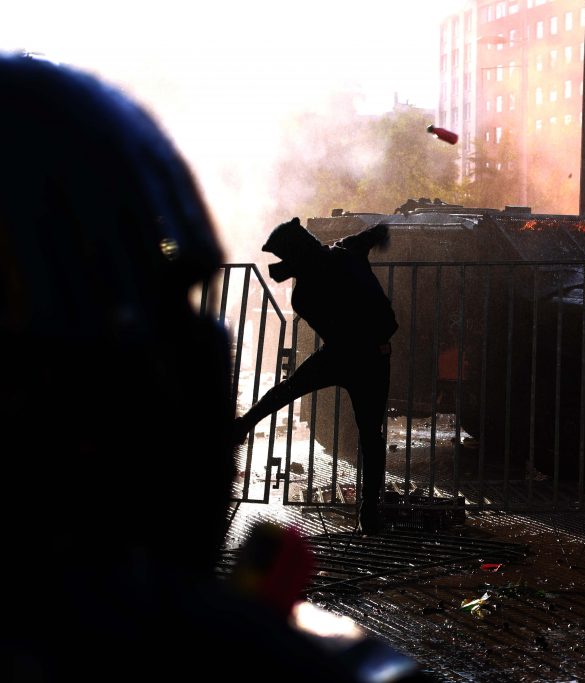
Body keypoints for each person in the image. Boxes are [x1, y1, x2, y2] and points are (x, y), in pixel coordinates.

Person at [0, 53, 424, 681]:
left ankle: (358, 503)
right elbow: (352, 254)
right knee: (319, 412)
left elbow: (352, 258)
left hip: (361, 354)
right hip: (354, 354)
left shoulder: (320, 276)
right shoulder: (230, 646)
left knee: (335, 420)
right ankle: (347, 495)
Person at [232, 217, 397, 534]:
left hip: (344, 354)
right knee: (370, 436)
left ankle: (243, 426)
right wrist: (379, 237)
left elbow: (329, 322)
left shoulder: (303, 296)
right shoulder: (346, 251)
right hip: (371, 355)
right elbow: (376, 231)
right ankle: (369, 512)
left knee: (288, 389)